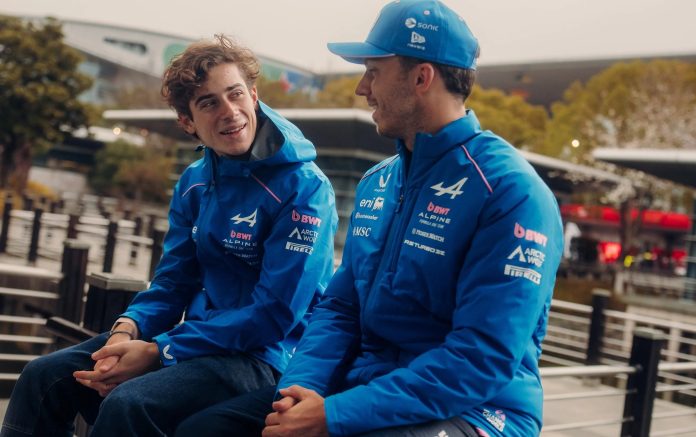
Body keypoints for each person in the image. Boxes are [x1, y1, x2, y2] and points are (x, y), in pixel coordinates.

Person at [176, 1, 563, 436]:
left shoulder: (511, 193)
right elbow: (341, 307)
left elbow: (479, 359)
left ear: (421, 78)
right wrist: (300, 392)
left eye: (373, 71)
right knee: (205, 429)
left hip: (479, 410)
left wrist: (335, 415)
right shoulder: (379, 181)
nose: (362, 88)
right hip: (363, 386)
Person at [0, 34, 337, 436]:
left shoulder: (305, 187)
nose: (230, 112)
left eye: (235, 94)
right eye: (209, 103)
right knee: (44, 377)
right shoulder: (195, 181)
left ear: (253, 95)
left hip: (268, 356)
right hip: (198, 341)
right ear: (187, 122)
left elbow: (274, 315)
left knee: (129, 403)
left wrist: (160, 350)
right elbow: (173, 282)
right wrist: (127, 330)